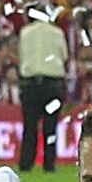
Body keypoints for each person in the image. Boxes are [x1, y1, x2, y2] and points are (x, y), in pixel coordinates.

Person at [16, 10, 71, 169]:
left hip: (30, 84)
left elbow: (22, 55)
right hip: (52, 84)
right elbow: (64, 56)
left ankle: (26, 163)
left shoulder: (25, 32)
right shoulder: (57, 33)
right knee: (50, 126)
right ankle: (49, 163)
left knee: (29, 126)